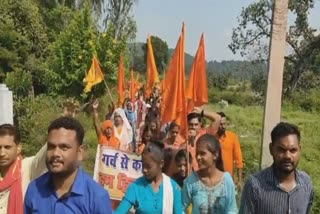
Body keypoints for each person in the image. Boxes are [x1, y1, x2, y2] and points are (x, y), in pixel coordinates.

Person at [24, 117, 112, 213]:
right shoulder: (34, 189)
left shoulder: (96, 197)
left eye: (64, 147)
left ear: (79, 152)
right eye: (51, 147)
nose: (55, 153)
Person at [240, 122, 314, 214]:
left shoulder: (306, 183)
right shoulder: (255, 186)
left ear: (299, 150)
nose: (288, 156)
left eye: (293, 150)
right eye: (281, 150)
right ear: (271, 149)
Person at [115, 141, 182, 214]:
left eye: (148, 166)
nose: (144, 170)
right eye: (143, 165)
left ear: (161, 164)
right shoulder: (135, 187)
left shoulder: (173, 188)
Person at [182, 134, 237, 214]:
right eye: (197, 154)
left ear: (215, 155)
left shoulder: (226, 180)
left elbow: (232, 210)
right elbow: (181, 209)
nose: (198, 157)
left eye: (202, 153)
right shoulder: (191, 181)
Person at [0, 124, 47, 214]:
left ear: (18, 148)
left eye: (7, 147)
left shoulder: (27, 167)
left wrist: (66, 118)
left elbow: (46, 153)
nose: (2, 153)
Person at [214, 112, 243, 187]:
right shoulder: (211, 138)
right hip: (214, 180)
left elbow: (238, 159)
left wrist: (239, 180)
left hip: (228, 180)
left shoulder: (232, 137)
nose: (223, 126)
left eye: (224, 124)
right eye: (220, 124)